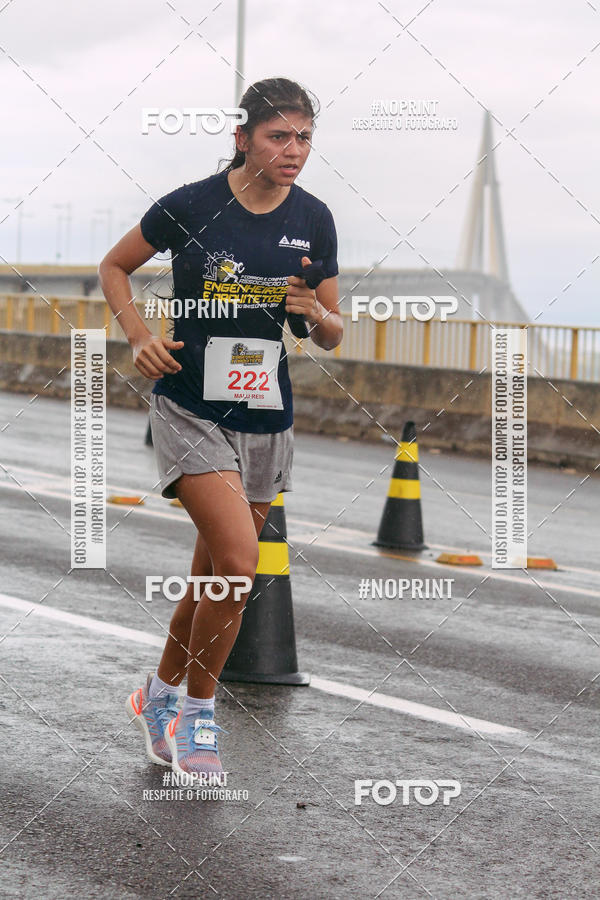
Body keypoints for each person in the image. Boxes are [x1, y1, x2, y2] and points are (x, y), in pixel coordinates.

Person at [99, 76, 342, 778]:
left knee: (212, 578)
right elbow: (115, 266)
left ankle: (159, 696)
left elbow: (330, 332)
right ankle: (199, 718)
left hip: (267, 417)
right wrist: (139, 333)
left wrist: (316, 313)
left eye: (303, 138)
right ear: (242, 139)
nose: (293, 150)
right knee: (239, 563)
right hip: (190, 407)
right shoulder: (192, 206)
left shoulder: (316, 219)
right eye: (278, 136)